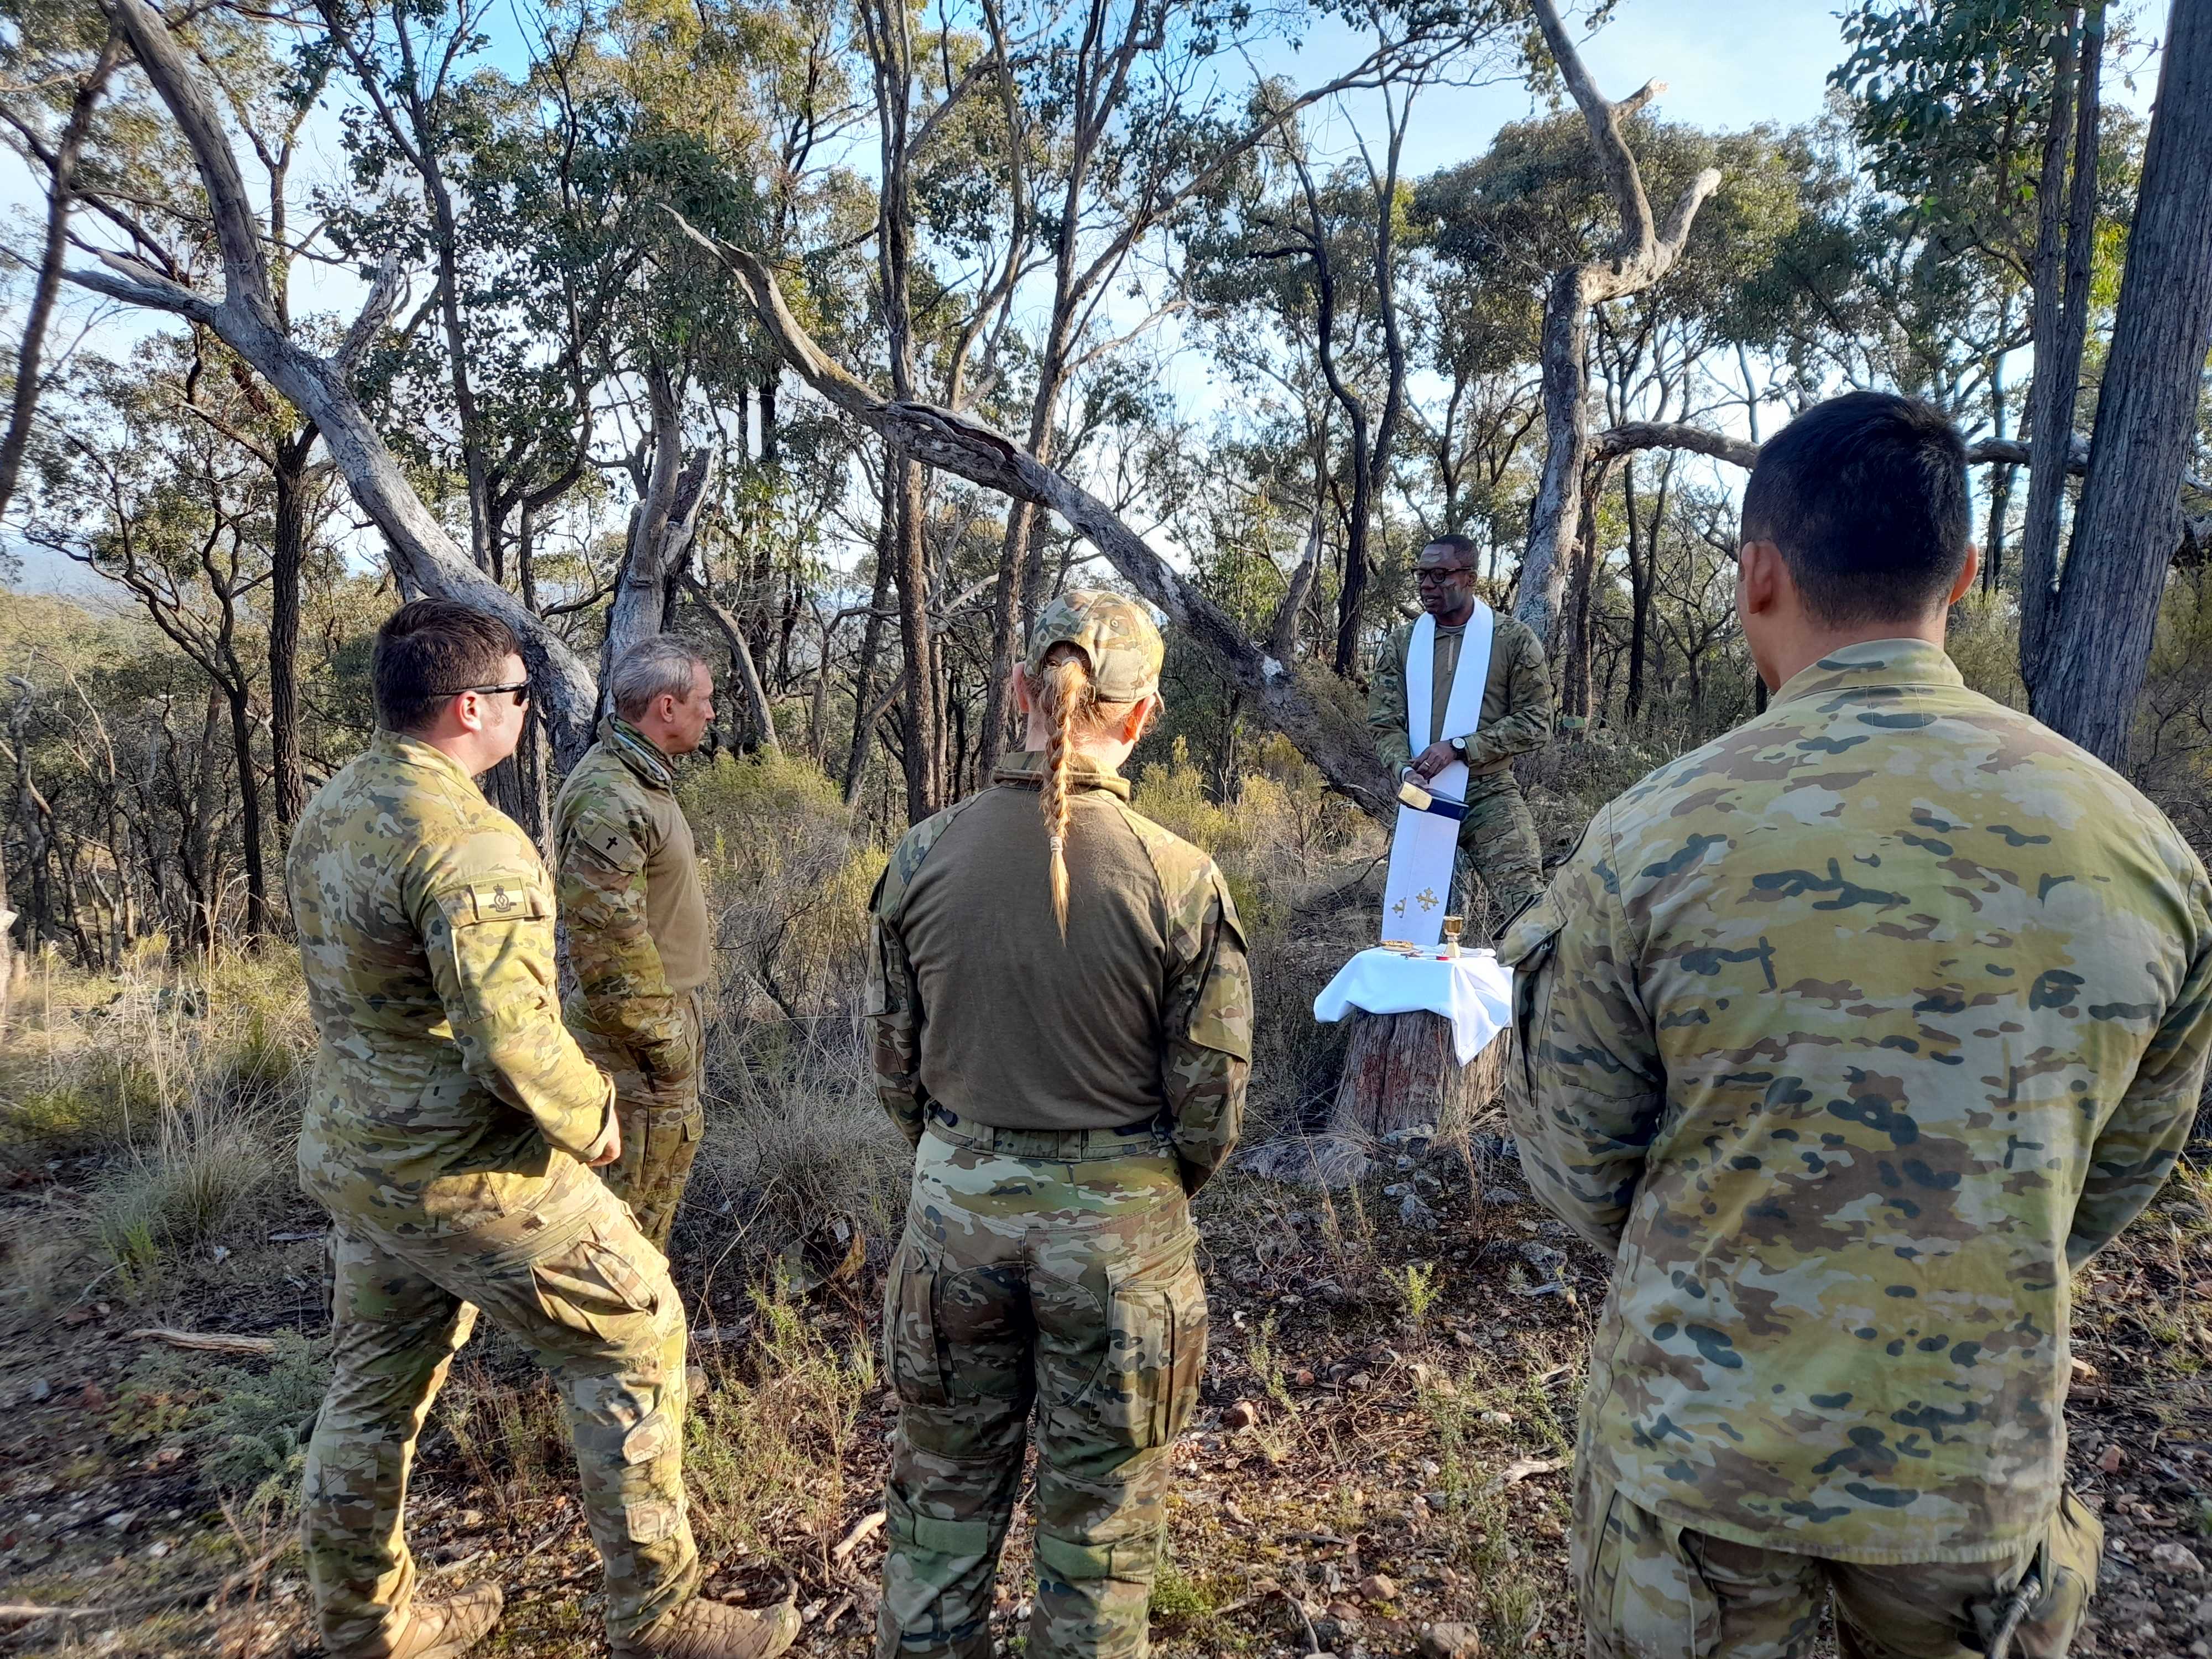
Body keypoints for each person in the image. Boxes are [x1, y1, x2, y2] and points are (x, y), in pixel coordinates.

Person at [1500, 391, 2212, 1659]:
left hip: (1701, 1468)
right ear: (1966, 575)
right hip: (1967, 1476)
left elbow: (1578, 1163)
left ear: (1757, 574)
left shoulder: (1647, 840)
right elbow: (2110, 1176)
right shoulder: (2138, 854)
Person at [288, 599, 796, 1659]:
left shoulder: (335, 806)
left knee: (371, 1387)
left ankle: (368, 1627)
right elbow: (512, 1042)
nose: (529, 711)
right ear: (471, 708)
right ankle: (658, 1617)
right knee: (640, 1326)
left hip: (362, 1153)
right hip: (463, 1164)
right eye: (520, 695)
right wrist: (595, 1117)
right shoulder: (473, 842)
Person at [867, 591, 1253, 1659]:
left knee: (939, 1518)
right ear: (1145, 714)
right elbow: (1212, 1106)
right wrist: (1133, 1186)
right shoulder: (1180, 878)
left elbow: (894, 1071)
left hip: (955, 1221)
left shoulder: (922, 856)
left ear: (1019, 694)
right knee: (1100, 1543)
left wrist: (969, 1156)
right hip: (1120, 1243)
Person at [555, 636, 718, 1250]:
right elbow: (609, 949)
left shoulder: (643, 782)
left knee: (651, 1201)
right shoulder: (612, 796)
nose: (711, 713)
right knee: (624, 1228)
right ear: (666, 707)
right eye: (703, 700)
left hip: (655, 1030)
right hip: (634, 1046)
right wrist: (665, 1043)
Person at [1368, 533, 1554, 932]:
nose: (1426, 585)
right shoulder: (1402, 643)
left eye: (1440, 575)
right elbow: (1385, 723)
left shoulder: (1512, 639)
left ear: (1470, 578)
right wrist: (1405, 770)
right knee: (1410, 922)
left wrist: (1460, 748)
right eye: (1421, 575)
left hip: (1490, 793)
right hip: (1422, 796)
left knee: (1530, 913)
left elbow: (1537, 722)